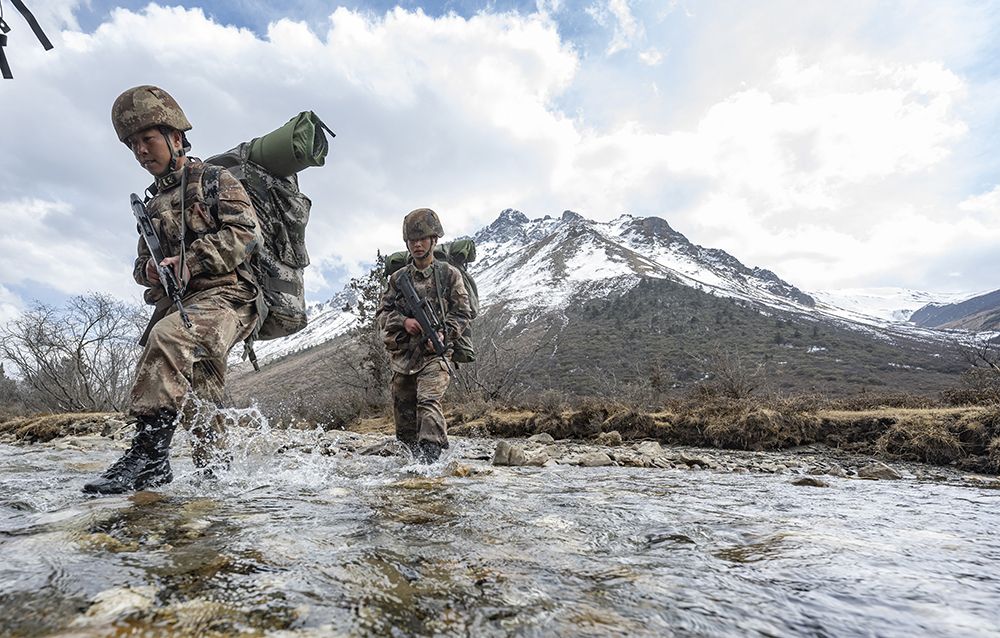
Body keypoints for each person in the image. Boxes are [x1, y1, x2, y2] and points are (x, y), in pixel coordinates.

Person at [83, 85, 261, 494]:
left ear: (175, 137)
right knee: (202, 394)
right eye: (133, 145)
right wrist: (151, 271)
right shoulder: (149, 206)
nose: (141, 151)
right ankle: (217, 480)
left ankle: (148, 456)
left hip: (231, 296)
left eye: (147, 139)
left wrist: (191, 262)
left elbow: (245, 234)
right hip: (183, 303)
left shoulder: (216, 180)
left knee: (168, 338)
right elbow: (138, 267)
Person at [378, 208, 472, 462]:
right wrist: (404, 320)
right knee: (405, 421)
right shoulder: (398, 279)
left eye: (423, 239)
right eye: (412, 241)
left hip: (435, 355)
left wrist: (444, 334)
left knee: (428, 402)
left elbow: (463, 313)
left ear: (434, 240)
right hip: (404, 358)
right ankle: (412, 471)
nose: (417, 244)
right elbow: (382, 314)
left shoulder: (448, 275)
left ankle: (432, 464)